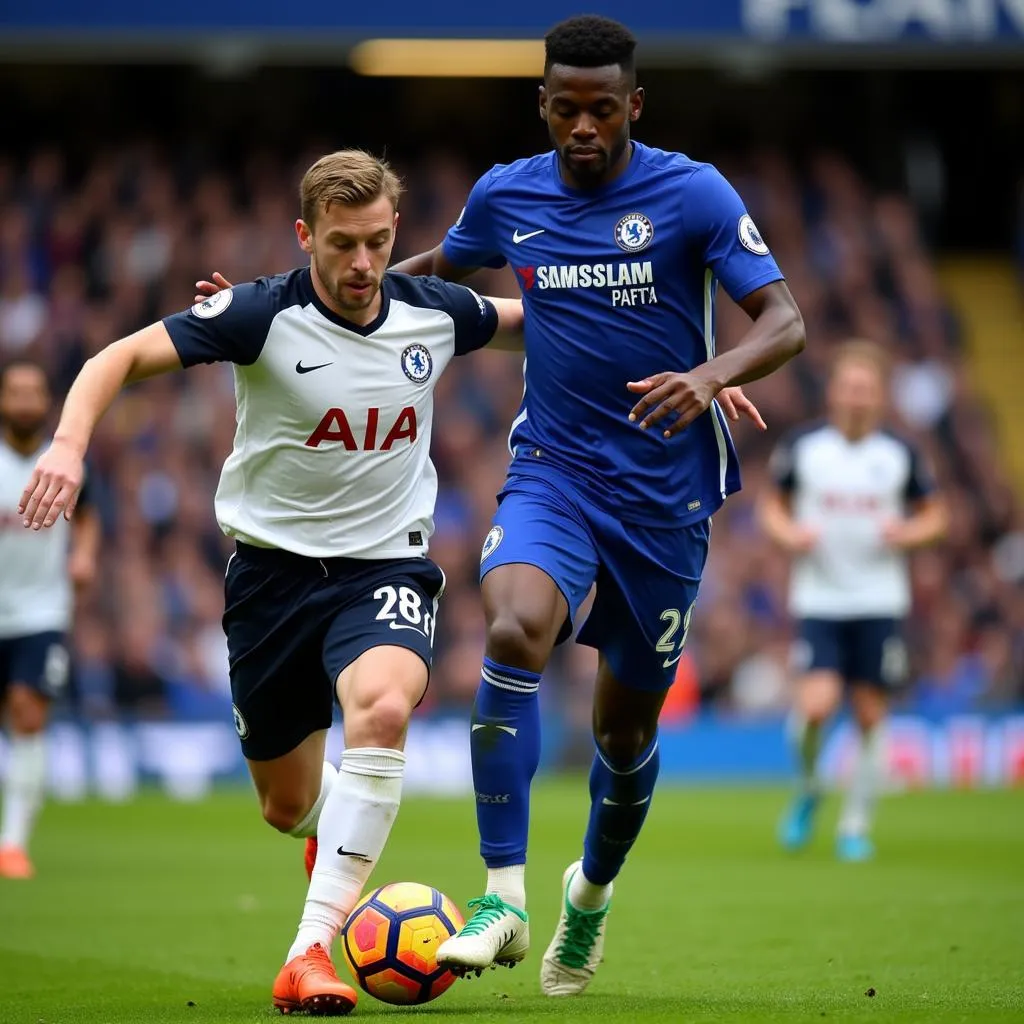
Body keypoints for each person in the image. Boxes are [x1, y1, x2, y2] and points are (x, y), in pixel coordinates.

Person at [19, 149, 522, 1015]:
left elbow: (556, 323)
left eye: (375, 242)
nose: (362, 264)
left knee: (386, 709)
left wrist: (697, 366)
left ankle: (309, 950)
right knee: (286, 804)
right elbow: (113, 359)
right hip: (270, 582)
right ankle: (334, 841)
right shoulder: (257, 312)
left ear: (395, 231)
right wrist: (67, 446)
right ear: (305, 237)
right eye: (340, 245)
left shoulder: (436, 312)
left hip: (385, 568)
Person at [387, 14, 806, 995]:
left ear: (634, 107)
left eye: (602, 110)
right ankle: (504, 896)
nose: (583, 127)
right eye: (565, 108)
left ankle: (588, 895)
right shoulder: (505, 193)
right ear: (542, 104)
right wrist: (295, 301)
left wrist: (710, 375)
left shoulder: (691, 191)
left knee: (623, 738)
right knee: (514, 624)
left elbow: (784, 319)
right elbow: (428, 284)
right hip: (554, 473)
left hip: (664, 504)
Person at [759, 339, 947, 862]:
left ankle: (855, 824)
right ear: (834, 392)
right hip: (818, 598)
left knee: (868, 715)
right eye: (849, 387)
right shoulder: (804, 449)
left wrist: (910, 533)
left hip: (880, 599)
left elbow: (937, 516)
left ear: (880, 396)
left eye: (866, 389)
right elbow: (772, 506)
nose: (857, 397)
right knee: (816, 708)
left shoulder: (900, 455)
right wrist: (788, 533)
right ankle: (813, 787)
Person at [0, 359, 98, 879]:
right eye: (15, 392)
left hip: (42, 610)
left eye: (33, 392)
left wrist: (83, 554)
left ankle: (12, 843)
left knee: (27, 712)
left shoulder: (63, 460)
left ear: (46, 402)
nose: (24, 401)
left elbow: (88, 513)